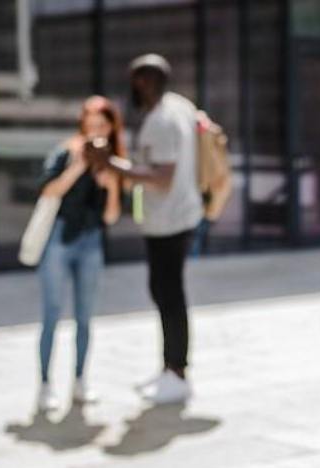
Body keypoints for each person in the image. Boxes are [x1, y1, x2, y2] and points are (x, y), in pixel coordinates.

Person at [86, 53, 200, 405]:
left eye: (135, 79)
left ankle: (177, 372)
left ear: (145, 82)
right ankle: (169, 367)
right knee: (165, 293)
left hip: (169, 220)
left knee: (169, 295)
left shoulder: (162, 121)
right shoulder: (179, 107)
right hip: (175, 217)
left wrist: (111, 164)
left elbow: (161, 178)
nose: (132, 87)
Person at [35, 96, 123, 411]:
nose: (96, 132)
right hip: (59, 240)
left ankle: (79, 380)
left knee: (85, 317)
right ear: (83, 125)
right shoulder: (65, 151)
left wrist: (109, 182)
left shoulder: (113, 161)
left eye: (102, 126)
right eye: (91, 125)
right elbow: (47, 190)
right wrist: (79, 165)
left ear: (111, 128)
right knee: (52, 314)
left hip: (91, 242)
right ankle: (45, 384)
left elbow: (111, 217)